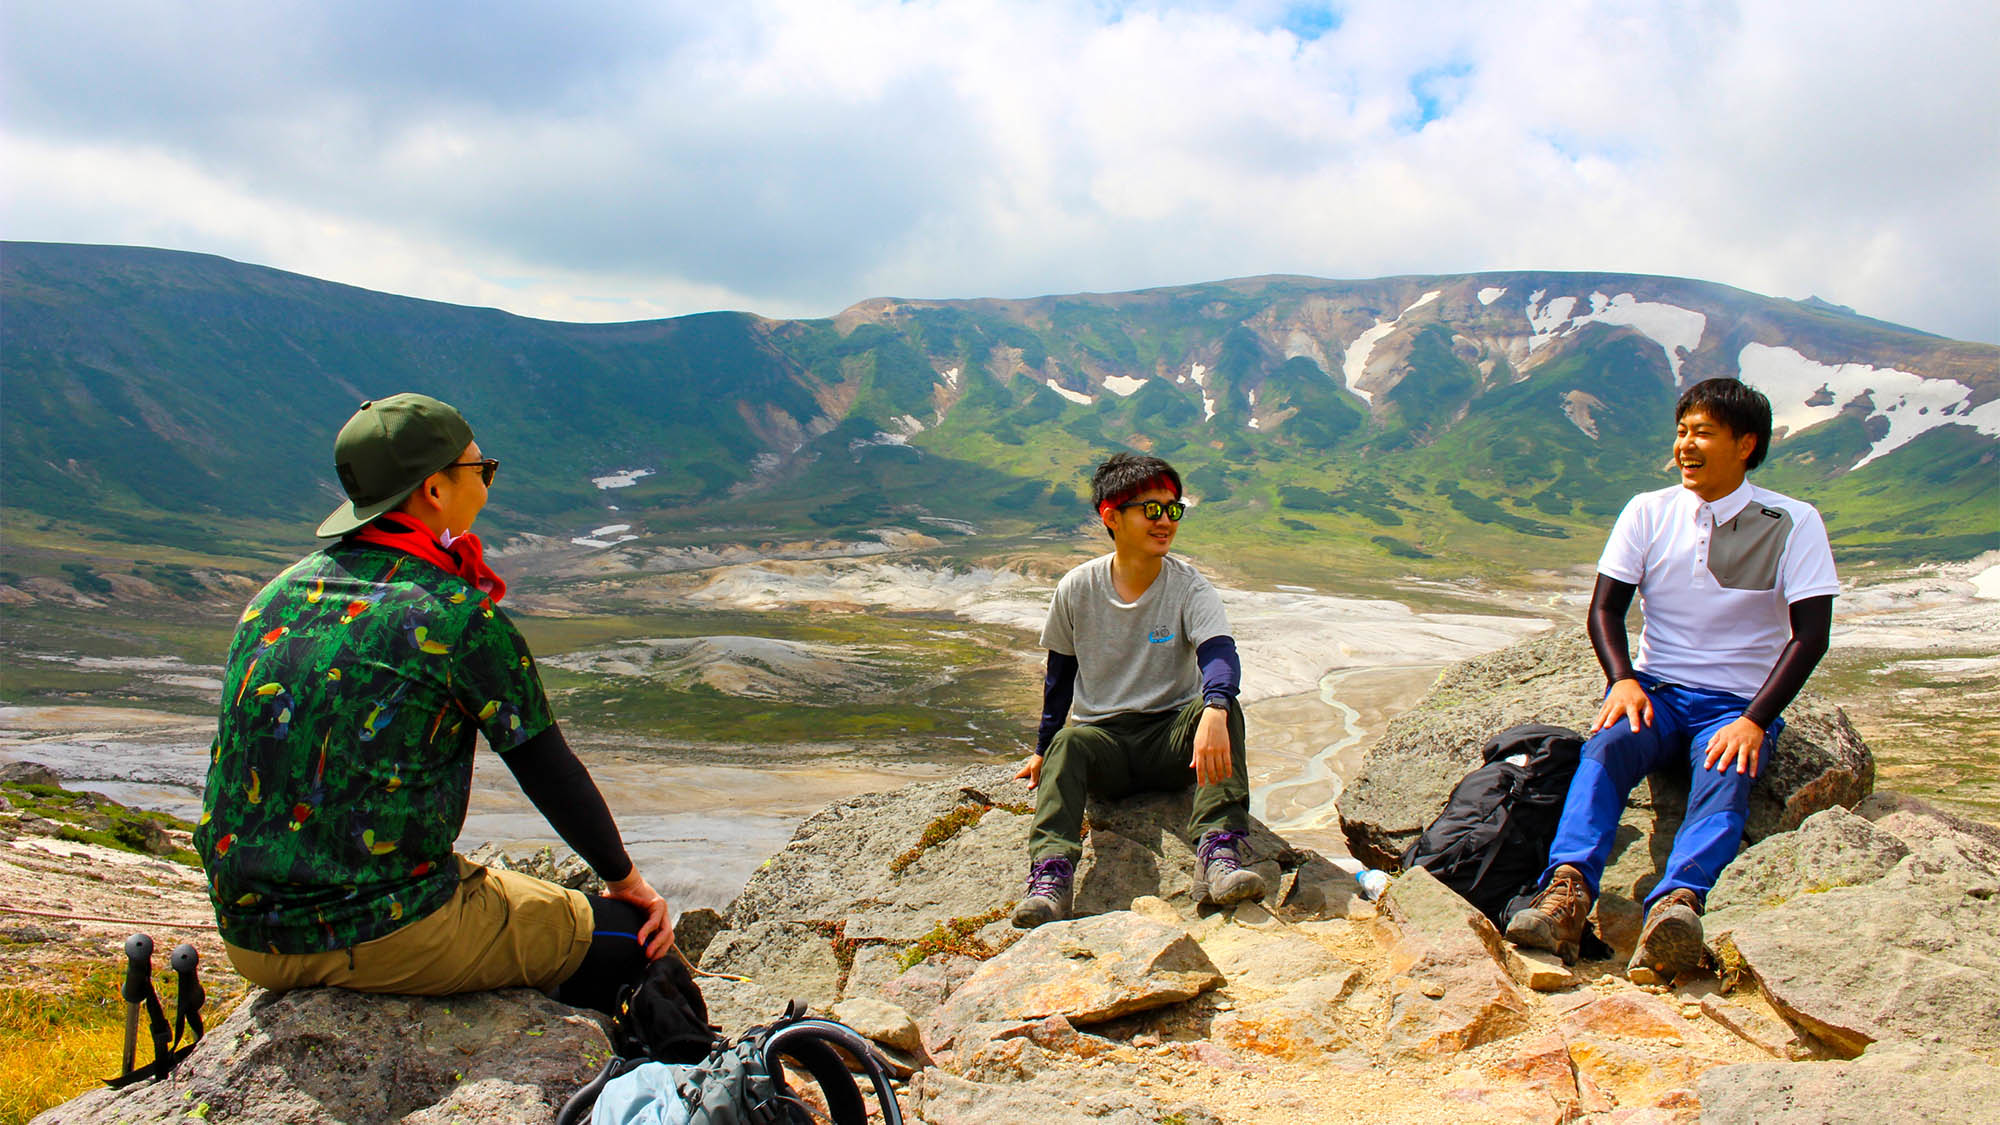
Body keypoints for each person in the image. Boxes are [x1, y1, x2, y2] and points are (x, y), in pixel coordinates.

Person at [194, 393, 673, 1014]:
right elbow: (547, 770)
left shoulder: (276, 596)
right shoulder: (452, 614)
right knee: (633, 943)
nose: (488, 482)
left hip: (250, 940)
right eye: (481, 469)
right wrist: (626, 884)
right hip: (386, 932)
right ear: (435, 491)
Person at [1505, 378, 1838, 976]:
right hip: (1655, 691)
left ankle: (1677, 904)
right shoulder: (1648, 510)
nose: (1686, 445)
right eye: (1682, 431)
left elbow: (1810, 635)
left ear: (1745, 444)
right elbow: (1606, 609)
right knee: (1605, 748)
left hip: (1735, 703)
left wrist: (1754, 720)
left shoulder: (1794, 521)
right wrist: (1622, 680)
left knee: (1723, 771)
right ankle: (1567, 891)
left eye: (1703, 433)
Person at [1010, 452, 1265, 928]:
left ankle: (1219, 853)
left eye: (1173, 509)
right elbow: (1059, 678)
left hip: (1172, 740)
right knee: (1069, 744)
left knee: (1225, 710)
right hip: (1105, 743)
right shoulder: (1076, 588)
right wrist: (1044, 748)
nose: (1165, 520)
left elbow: (1219, 655)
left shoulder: (1190, 587)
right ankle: (1051, 879)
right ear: (1111, 515)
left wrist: (1213, 707)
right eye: (1152, 508)